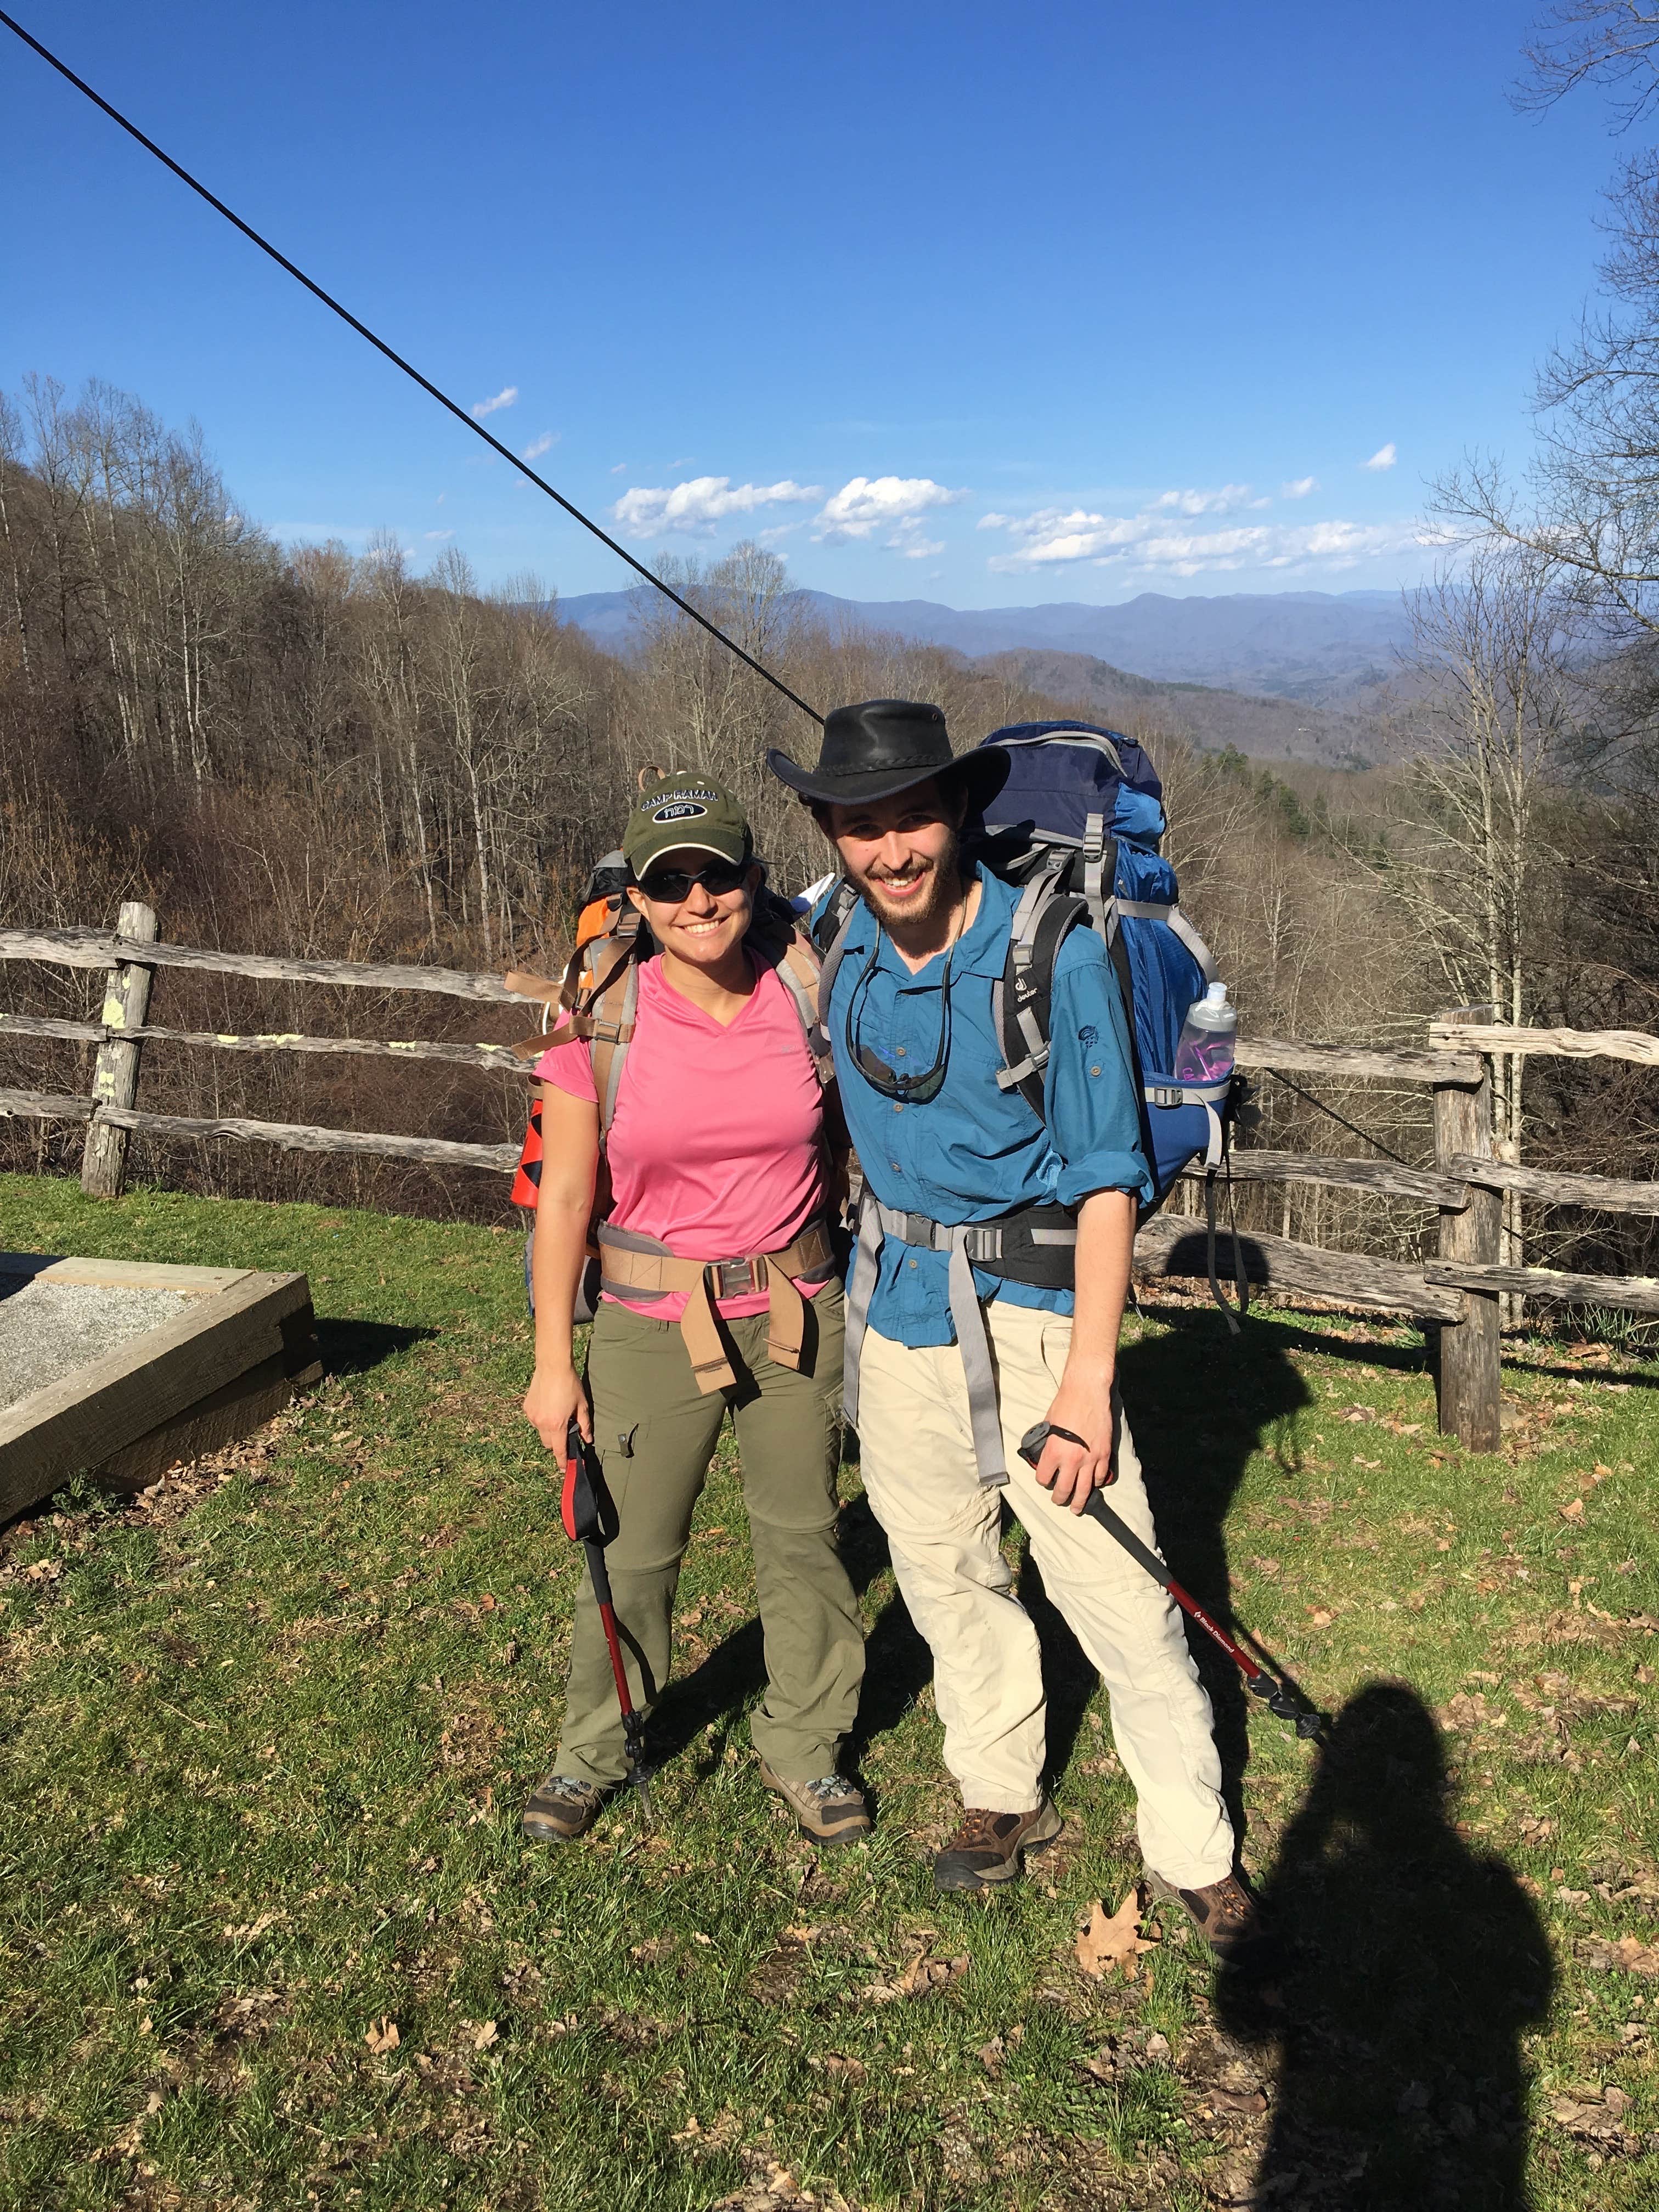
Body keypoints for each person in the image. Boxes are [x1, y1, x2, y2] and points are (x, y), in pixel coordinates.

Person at [767, 700, 1252, 1940]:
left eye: (911, 818)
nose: (890, 851)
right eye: (860, 827)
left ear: (960, 813)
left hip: (1037, 1320)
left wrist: (1089, 1382)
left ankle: (1194, 1846)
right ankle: (999, 1790)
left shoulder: (1055, 951)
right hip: (900, 1310)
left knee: (1116, 1596)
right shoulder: (841, 939)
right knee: (943, 1572)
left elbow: (1104, 1179)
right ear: (830, 834)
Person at [518, 770, 867, 1847]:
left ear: (755, 879)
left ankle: (805, 1748)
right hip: (644, 1324)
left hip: (796, 1314)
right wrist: (550, 1362)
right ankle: (593, 1748)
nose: (697, 900)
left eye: (717, 875)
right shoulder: (608, 1011)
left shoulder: (811, 988)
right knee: (629, 1552)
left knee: (805, 1542)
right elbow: (566, 1197)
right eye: (671, 883)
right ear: (641, 895)